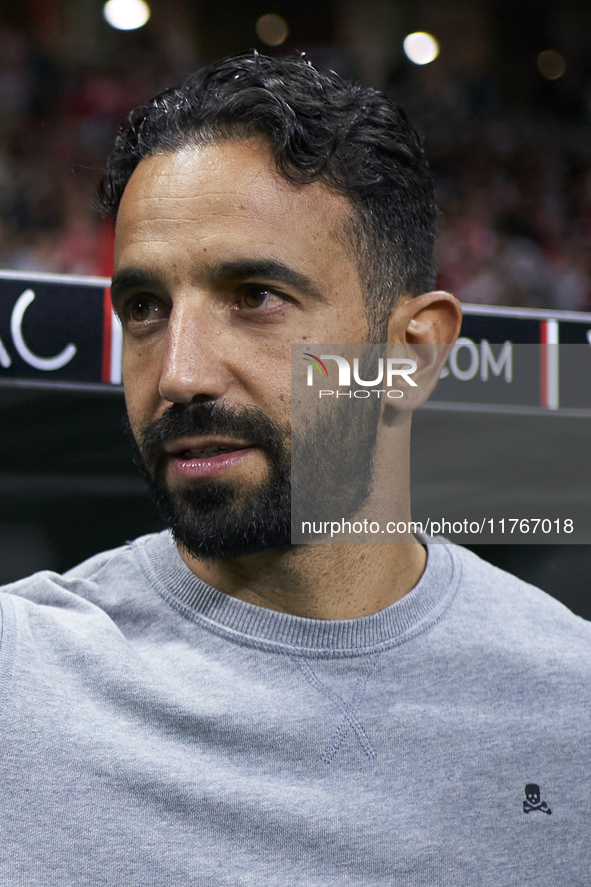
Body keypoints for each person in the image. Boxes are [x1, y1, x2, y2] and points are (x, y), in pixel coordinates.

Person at [0, 52, 589, 885]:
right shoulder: (19, 677)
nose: (179, 372)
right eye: (144, 308)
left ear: (412, 352)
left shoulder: (572, 709)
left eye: (253, 297)